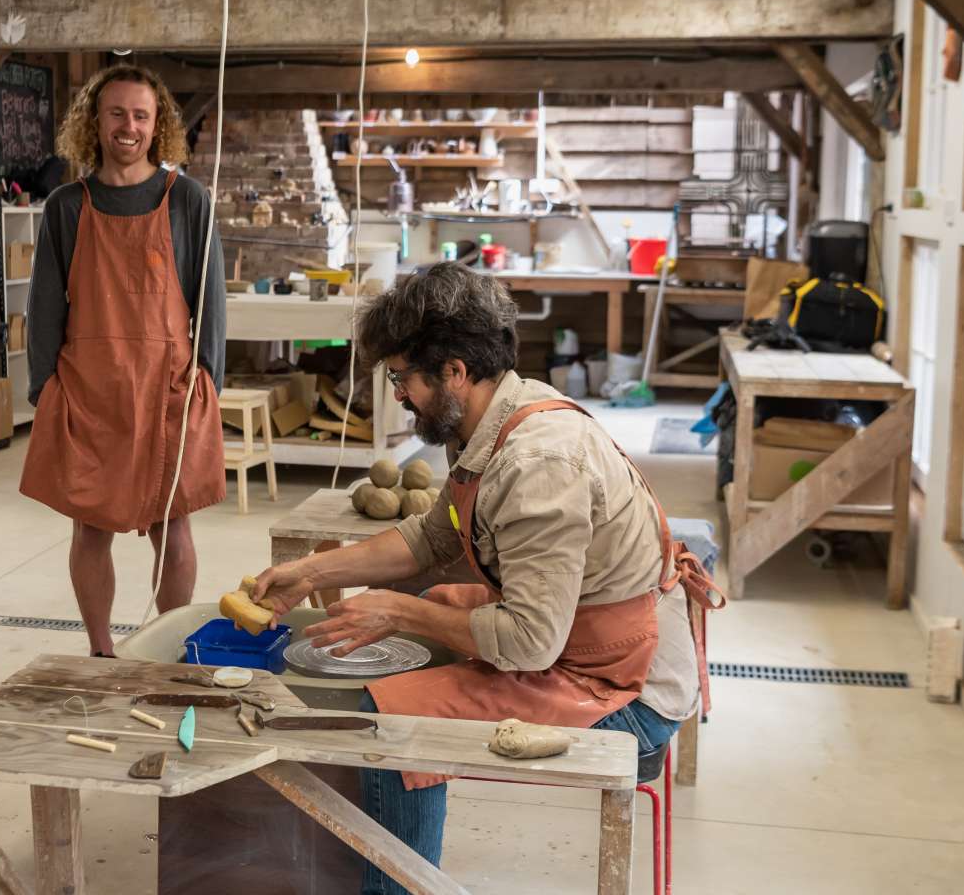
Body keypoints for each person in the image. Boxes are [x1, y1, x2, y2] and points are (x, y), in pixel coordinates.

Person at [251, 263, 722, 895]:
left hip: (625, 693)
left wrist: (398, 613)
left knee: (388, 716)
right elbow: (433, 536)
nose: (396, 394)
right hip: (586, 639)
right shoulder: (485, 421)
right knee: (429, 606)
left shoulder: (536, 462)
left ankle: (398, 887)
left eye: (402, 378)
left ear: (453, 371)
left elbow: (530, 643)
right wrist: (309, 571)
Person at [21, 64, 226, 658]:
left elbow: (210, 295)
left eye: (140, 114)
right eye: (116, 113)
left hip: (170, 386)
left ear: (157, 124)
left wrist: (207, 374)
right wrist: (45, 388)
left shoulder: (187, 198)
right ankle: (100, 649)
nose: (128, 126)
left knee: (173, 522)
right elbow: (42, 304)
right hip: (91, 390)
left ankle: (174, 644)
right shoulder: (67, 205)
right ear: (95, 120)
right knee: (92, 523)